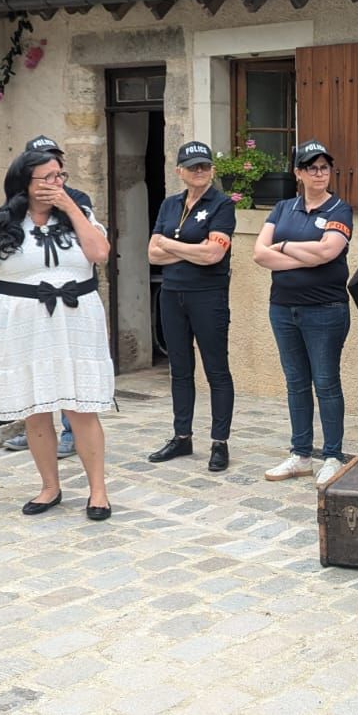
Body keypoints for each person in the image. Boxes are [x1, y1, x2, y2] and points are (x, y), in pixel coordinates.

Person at [0, 150, 117, 520]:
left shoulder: (79, 216)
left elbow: (100, 254)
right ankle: (50, 487)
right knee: (36, 411)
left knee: (82, 409)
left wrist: (70, 206)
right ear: (24, 183)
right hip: (21, 326)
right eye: (47, 177)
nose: (56, 183)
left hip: (74, 324)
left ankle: (98, 491)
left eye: (60, 176)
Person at [252, 139, 354, 486]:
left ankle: (333, 455)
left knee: (325, 382)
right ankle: (301, 454)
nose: (319, 173)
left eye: (324, 167)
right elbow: (259, 254)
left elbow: (328, 252)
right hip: (283, 309)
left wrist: (283, 246)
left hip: (325, 310)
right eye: (312, 168)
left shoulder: (340, 209)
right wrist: (305, 256)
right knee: (296, 383)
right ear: (298, 173)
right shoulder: (283, 208)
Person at [146, 141, 236, 471]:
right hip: (172, 295)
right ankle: (181, 436)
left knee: (216, 370)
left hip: (208, 296)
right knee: (180, 370)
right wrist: (191, 248)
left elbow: (214, 254)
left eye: (205, 166)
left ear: (212, 169)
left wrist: (171, 245)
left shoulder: (222, 205)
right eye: (193, 166)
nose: (200, 171)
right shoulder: (170, 204)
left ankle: (219, 443)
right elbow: (152, 254)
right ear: (179, 171)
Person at [1, 133, 91, 459]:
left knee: (68, 368)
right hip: (33, 302)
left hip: (70, 295)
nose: (54, 177)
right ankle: (37, 430)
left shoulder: (76, 199)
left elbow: (93, 249)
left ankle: (69, 431)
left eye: (56, 165)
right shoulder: (15, 207)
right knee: (38, 366)